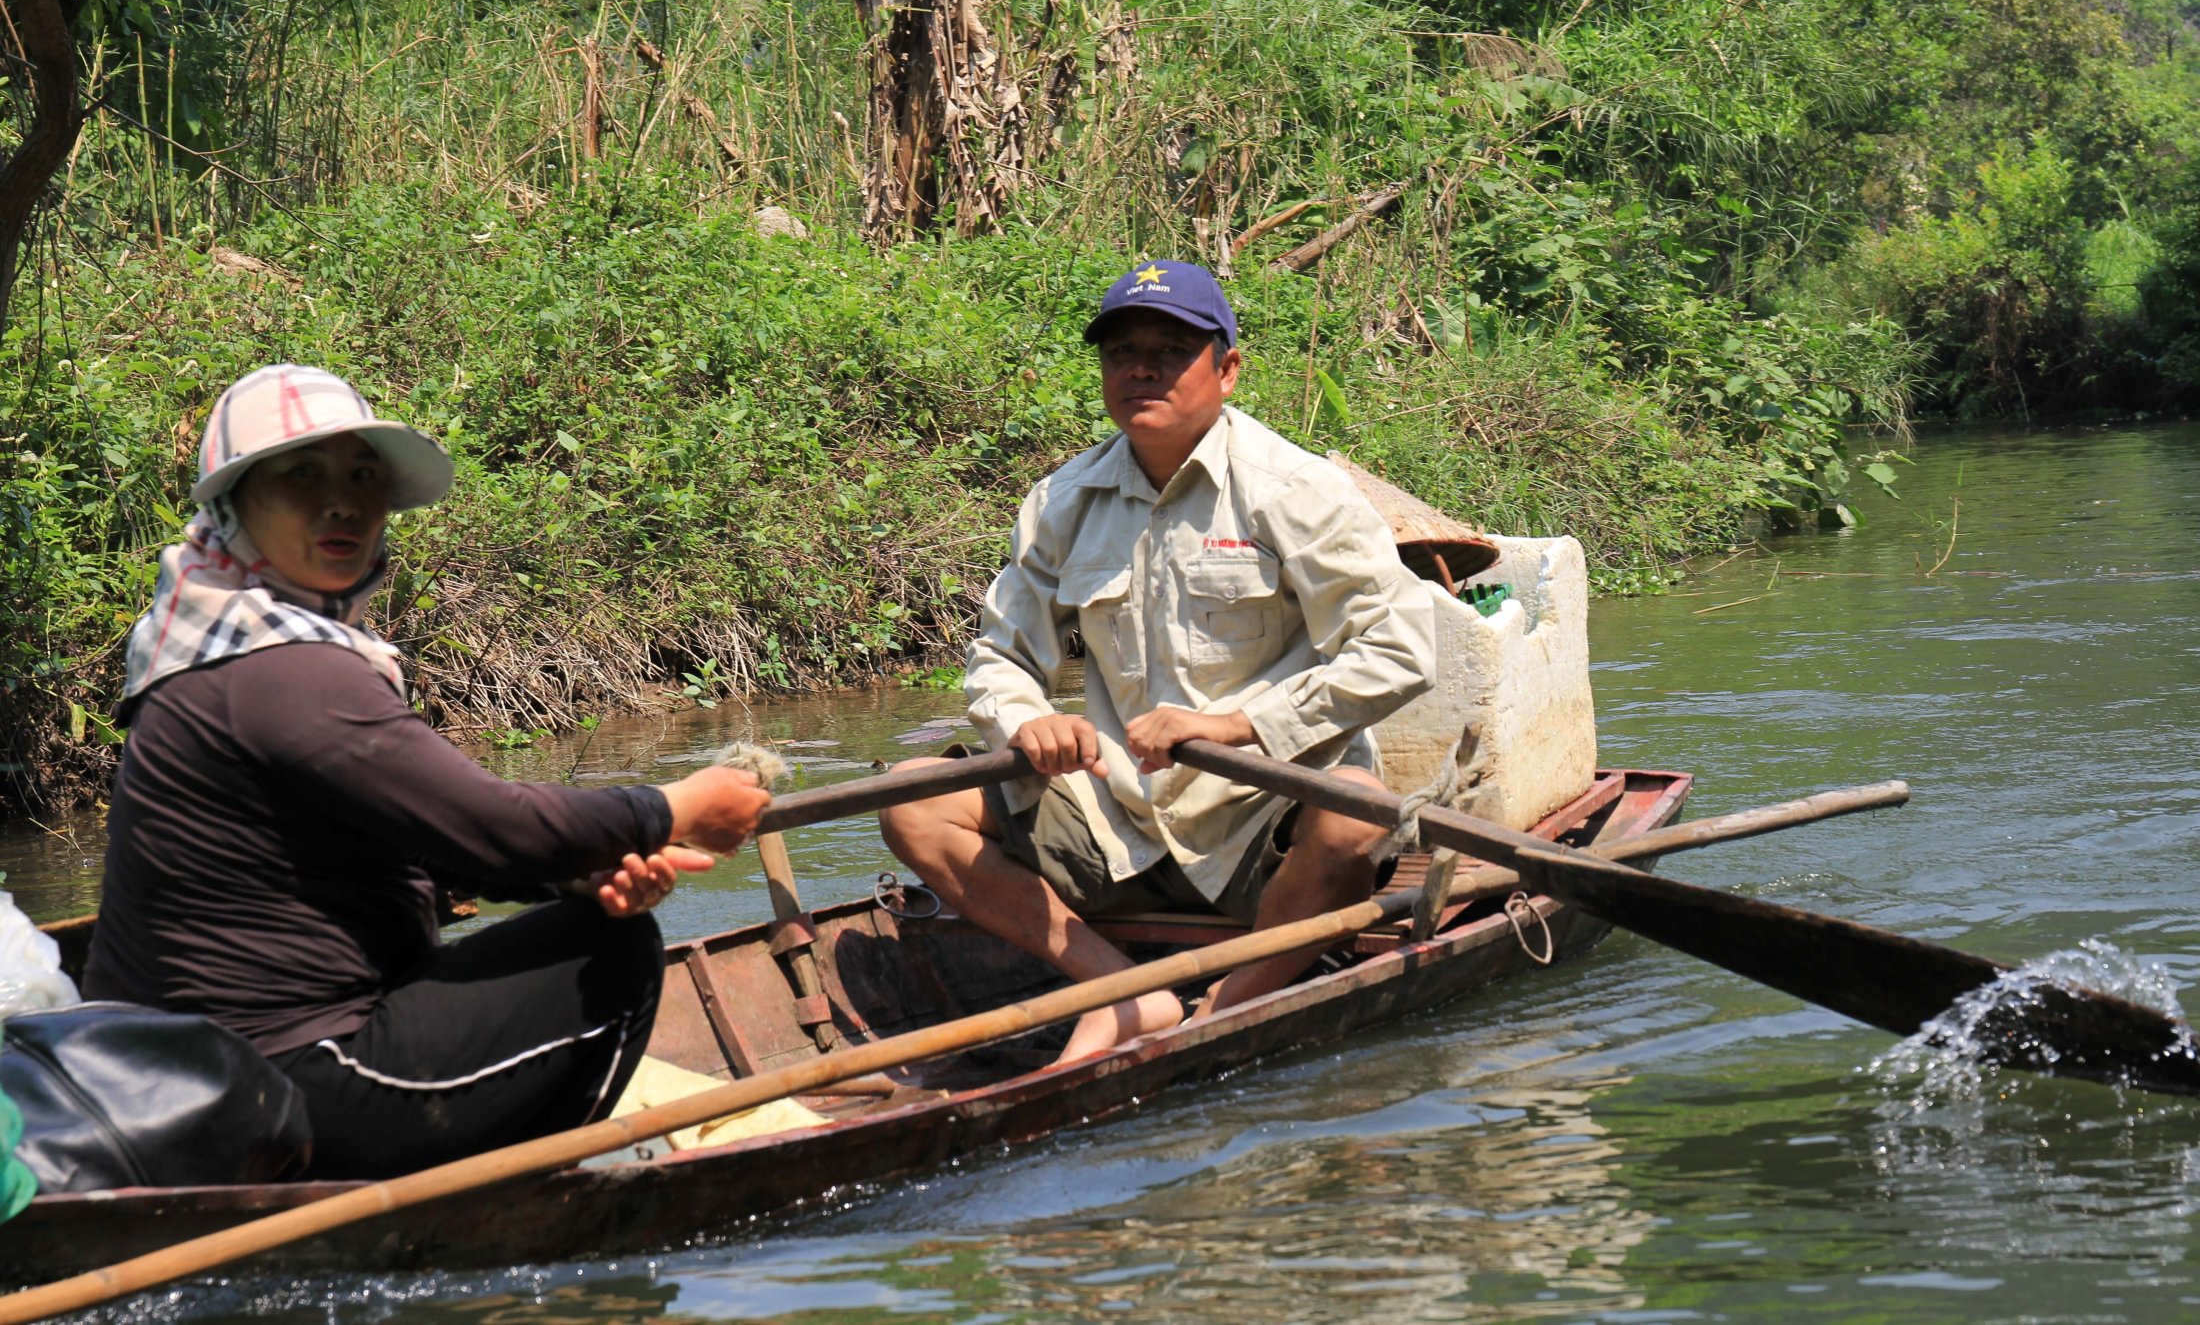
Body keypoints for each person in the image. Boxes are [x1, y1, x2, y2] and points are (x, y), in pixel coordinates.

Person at [82, 364, 769, 1179]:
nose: (342, 502)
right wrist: (674, 807)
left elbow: (417, 843)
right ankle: (520, 1208)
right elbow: (496, 826)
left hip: (187, 1078)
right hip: (269, 1088)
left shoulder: (221, 641)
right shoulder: (282, 670)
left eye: (362, 475)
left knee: (583, 914)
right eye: (301, 474)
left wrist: (571, 875)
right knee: (609, 952)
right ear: (233, 505)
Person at [881, 261, 1438, 1066]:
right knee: (911, 800)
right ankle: (1122, 991)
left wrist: (1239, 724)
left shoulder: (1294, 490)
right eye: (1123, 352)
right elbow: (1002, 652)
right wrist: (1028, 720)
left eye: (1172, 351)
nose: (1142, 369)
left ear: (1227, 369)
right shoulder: (1063, 500)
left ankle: (1221, 1009)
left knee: (1358, 816)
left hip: (1258, 811)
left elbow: (1399, 647)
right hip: (1116, 813)